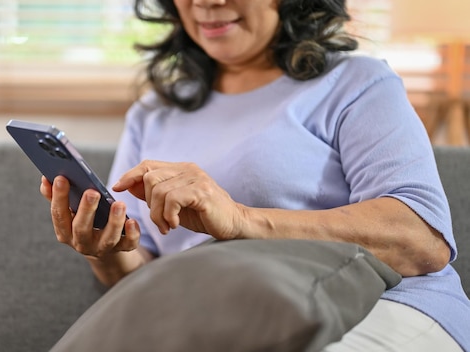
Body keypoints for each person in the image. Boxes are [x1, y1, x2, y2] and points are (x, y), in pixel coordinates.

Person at [40, 0, 470, 350]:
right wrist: (107, 250)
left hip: (379, 309)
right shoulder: (153, 114)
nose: (207, 3)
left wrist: (241, 220)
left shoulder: (357, 82)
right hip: (225, 322)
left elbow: (421, 240)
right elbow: (141, 277)